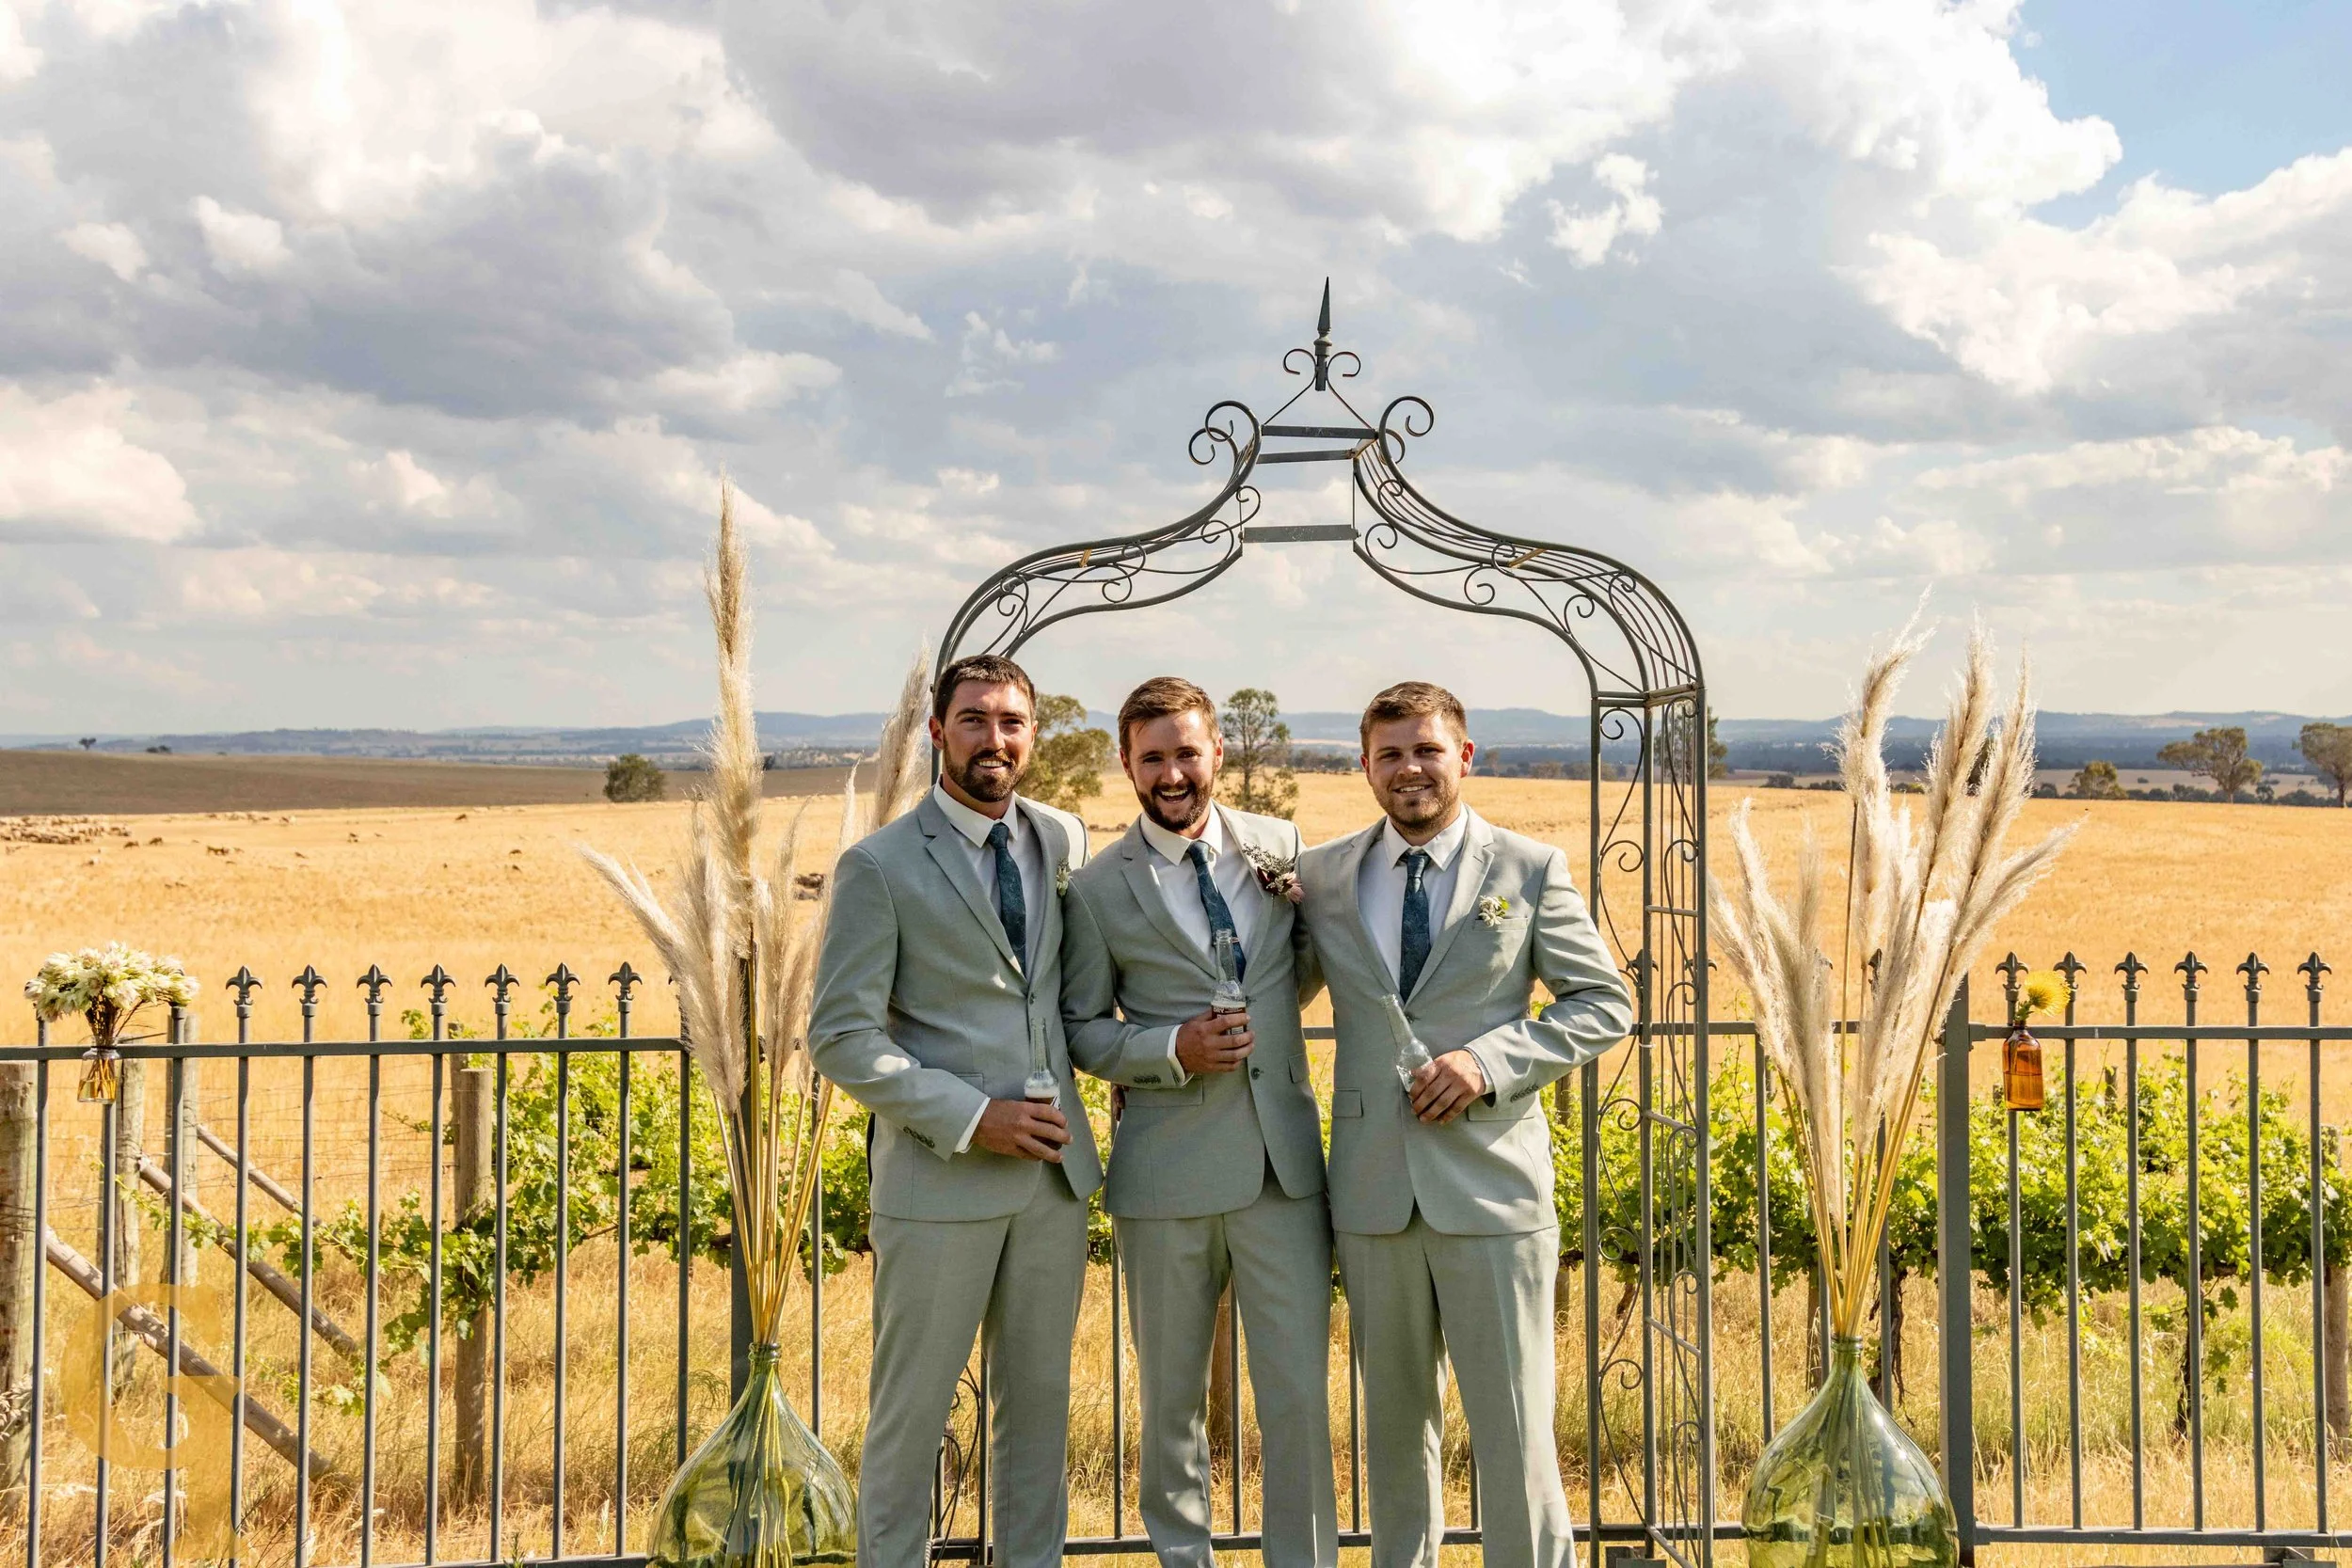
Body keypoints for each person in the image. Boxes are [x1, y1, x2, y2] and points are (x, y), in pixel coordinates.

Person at [1295, 681, 1632, 1568]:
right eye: (1391, 752)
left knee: (1514, 1426)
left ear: (1465, 755)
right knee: (1394, 1431)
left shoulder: (1528, 869)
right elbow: (1264, 985)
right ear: (1365, 765)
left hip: (1493, 1189)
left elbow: (1604, 1004)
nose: (1410, 767)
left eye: (1428, 749)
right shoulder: (1324, 876)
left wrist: (1490, 1062)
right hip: (1372, 1191)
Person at [810, 653, 1100, 1568]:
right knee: (911, 1419)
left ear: (1033, 735)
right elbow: (842, 1036)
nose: (994, 738)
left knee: (1037, 1418)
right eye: (974, 719)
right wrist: (975, 1117)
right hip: (938, 1182)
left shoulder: (1064, 839)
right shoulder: (879, 865)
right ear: (938, 732)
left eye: (1011, 721)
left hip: (1053, 1184)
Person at [1059, 676, 1336, 1568]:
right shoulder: (1097, 888)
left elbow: (1298, 969)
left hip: (1282, 1170)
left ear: (1217, 751)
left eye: (1187, 751)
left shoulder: (1281, 846)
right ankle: (1185, 1558)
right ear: (1127, 765)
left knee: (1297, 1395)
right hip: (1165, 1175)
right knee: (1170, 1399)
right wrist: (1172, 1047)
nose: (1172, 772)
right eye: (1153, 757)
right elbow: (1083, 1030)